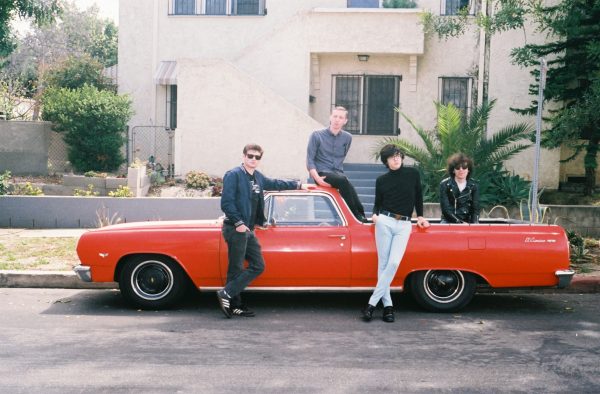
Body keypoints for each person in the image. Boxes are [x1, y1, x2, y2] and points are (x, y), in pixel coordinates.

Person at [217, 143, 304, 318]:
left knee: (258, 265)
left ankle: (226, 293)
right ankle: (236, 305)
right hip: (235, 228)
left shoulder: (258, 177)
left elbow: (275, 183)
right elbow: (226, 202)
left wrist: (298, 184)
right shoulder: (233, 175)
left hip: (249, 229)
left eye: (257, 157)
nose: (253, 160)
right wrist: (238, 222)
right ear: (244, 156)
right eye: (250, 156)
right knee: (235, 268)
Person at [361, 144, 430, 323]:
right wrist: (375, 215)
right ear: (386, 161)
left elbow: (418, 197)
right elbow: (377, 203)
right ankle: (388, 308)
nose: (396, 158)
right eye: (392, 157)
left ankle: (371, 304)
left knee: (393, 262)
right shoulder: (382, 180)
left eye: (398, 155)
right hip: (384, 221)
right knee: (383, 264)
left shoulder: (413, 174)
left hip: (404, 224)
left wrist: (421, 216)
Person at [306, 106, 367, 222]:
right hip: (322, 174)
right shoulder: (316, 135)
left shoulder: (347, 138)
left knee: (351, 189)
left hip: (338, 175)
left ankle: (362, 215)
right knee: (344, 181)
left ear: (345, 121)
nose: (337, 120)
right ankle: (356, 217)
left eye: (340, 117)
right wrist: (318, 179)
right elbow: (310, 161)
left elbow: (341, 158)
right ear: (330, 117)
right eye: (335, 116)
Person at [439, 153, 480, 224]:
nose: (461, 170)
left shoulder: (474, 186)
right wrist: (460, 223)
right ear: (453, 170)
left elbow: (475, 210)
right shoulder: (445, 184)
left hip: (467, 222)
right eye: (457, 167)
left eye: (464, 167)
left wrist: (475, 225)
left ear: (468, 170)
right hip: (448, 221)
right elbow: (446, 210)